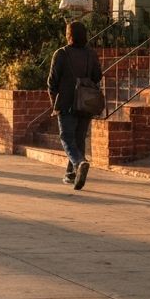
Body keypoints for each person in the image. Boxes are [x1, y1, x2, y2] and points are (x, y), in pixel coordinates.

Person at [47, 20, 102, 191]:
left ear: (68, 35)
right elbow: (97, 76)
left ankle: (79, 163)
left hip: (67, 103)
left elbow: (52, 82)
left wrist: (53, 102)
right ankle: (72, 175)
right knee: (78, 139)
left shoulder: (61, 54)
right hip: (86, 102)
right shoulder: (91, 54)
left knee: (66, 138)